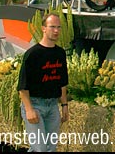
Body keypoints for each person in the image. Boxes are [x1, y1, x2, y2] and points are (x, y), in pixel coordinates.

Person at [17, 13, 69, 152]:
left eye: (59, 27)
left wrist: (64, 105)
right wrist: (29, 110)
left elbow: (63, 82)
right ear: (43, 28)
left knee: (50, 148)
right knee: (39, 148)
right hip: (35, 105)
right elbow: (22, 87)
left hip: (52, 106)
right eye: (52, 27)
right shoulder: (33, 54)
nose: (56, 30)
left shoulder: (60, 53)